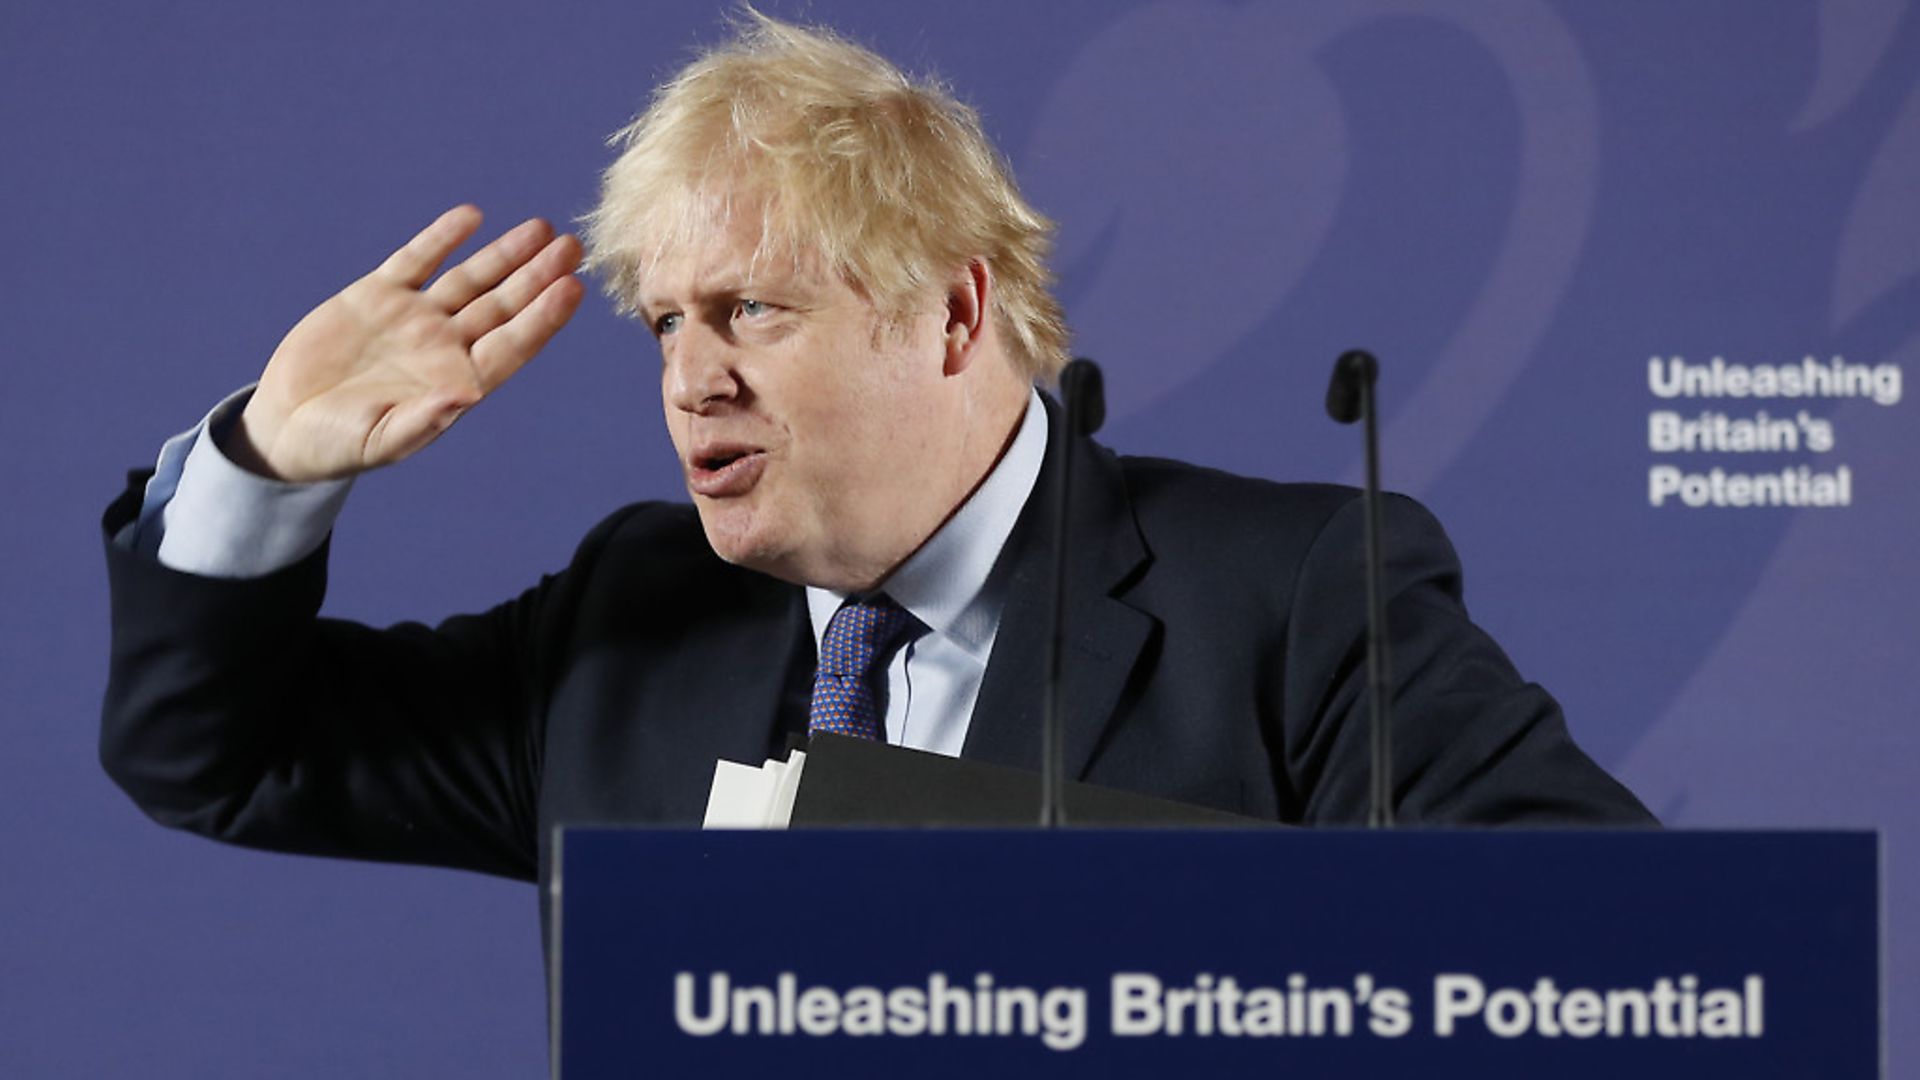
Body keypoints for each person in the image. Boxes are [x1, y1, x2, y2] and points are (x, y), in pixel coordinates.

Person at [100, 13, 1652, 891]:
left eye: (751, 310)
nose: (689, 379)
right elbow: (215, 756)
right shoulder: (626, 626)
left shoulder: (1291, 593)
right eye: (661, 324)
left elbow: (1599, 954)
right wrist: (270, 463)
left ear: (954, 311)